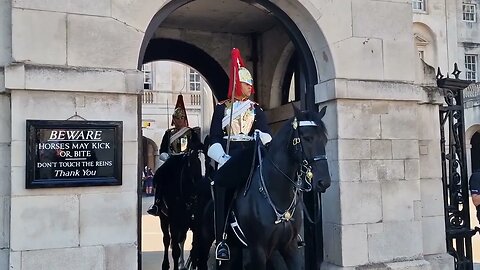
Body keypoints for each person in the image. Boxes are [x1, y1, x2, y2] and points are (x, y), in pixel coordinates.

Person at [207, 48, 272, 261]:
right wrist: (222, 158)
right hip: (228, 155)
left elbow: (266, 134)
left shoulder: (256, 110)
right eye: (247, 83)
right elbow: (214, 137)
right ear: (237, 84)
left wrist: (261, 138)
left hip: (252, 155)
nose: (250, 87)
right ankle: (222, 239)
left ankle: (286, 228)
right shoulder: (221, 109)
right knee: (219, 186)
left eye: (251, 84)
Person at [147, 94, 202, 216]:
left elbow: (198, 145)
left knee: (197, 173)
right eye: (177, 118)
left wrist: (194, 149)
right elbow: (162, 149)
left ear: (185, 119)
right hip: (173, 159)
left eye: (182, 118)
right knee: (160, 175)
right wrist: (164, 155)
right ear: (173, 119)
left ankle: (200, 200)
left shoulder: (191, 132)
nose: (180, 121)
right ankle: (157, 203)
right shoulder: (169, 133)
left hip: (187, 159)